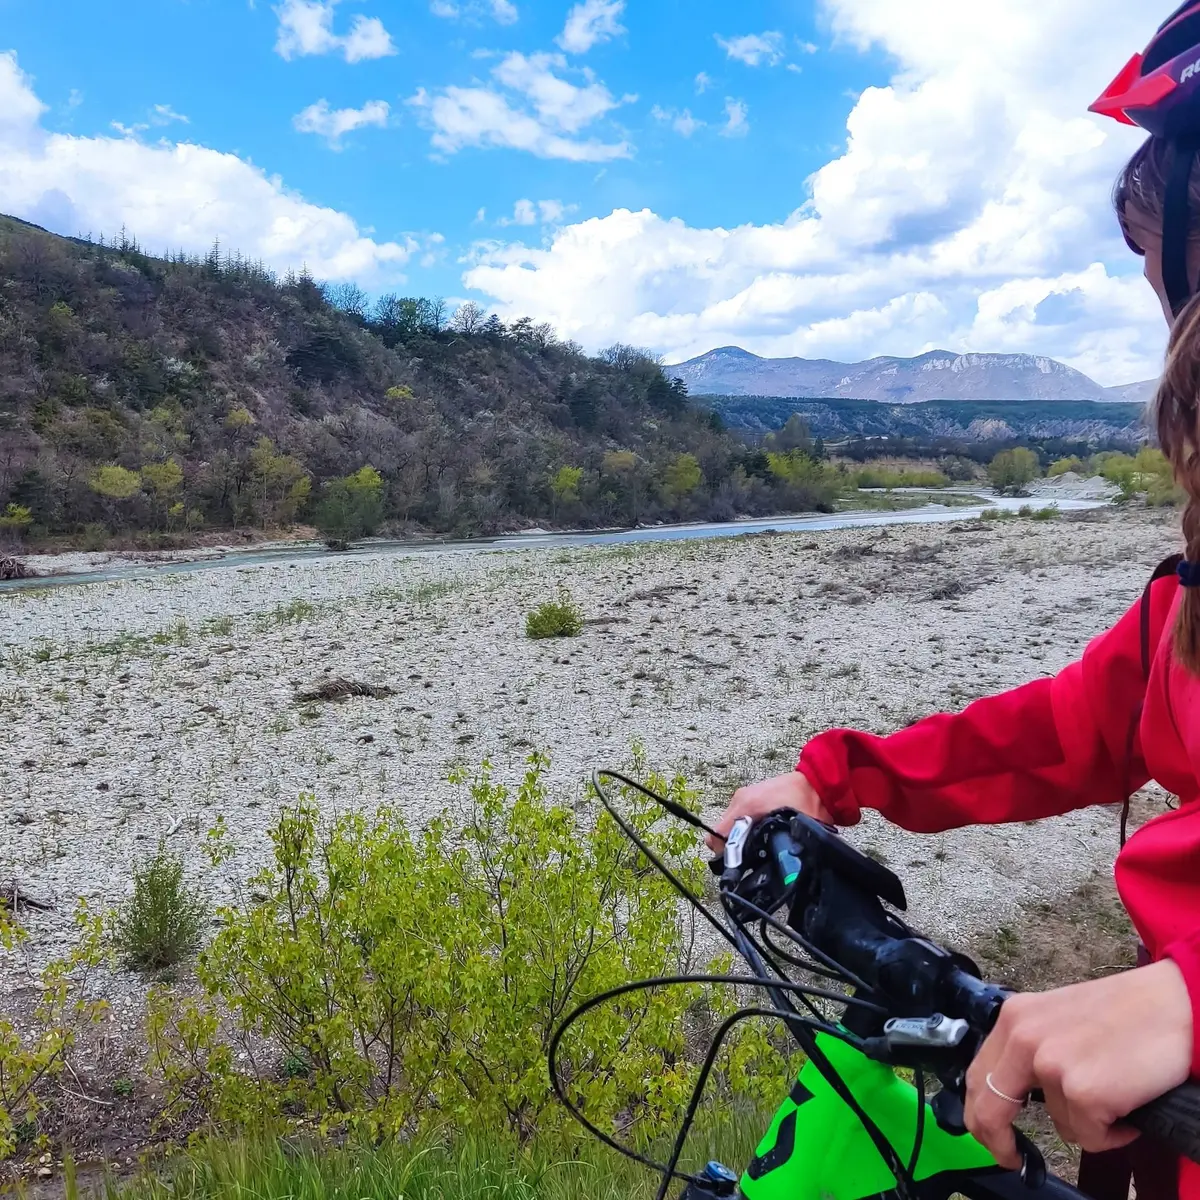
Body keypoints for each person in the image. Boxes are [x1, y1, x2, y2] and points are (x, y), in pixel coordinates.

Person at [710, 5, 1200, 1198]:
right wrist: (837, 779)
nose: (1170, 342)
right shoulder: (1183, 609)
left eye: (1167, 288)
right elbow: (1057, 733)